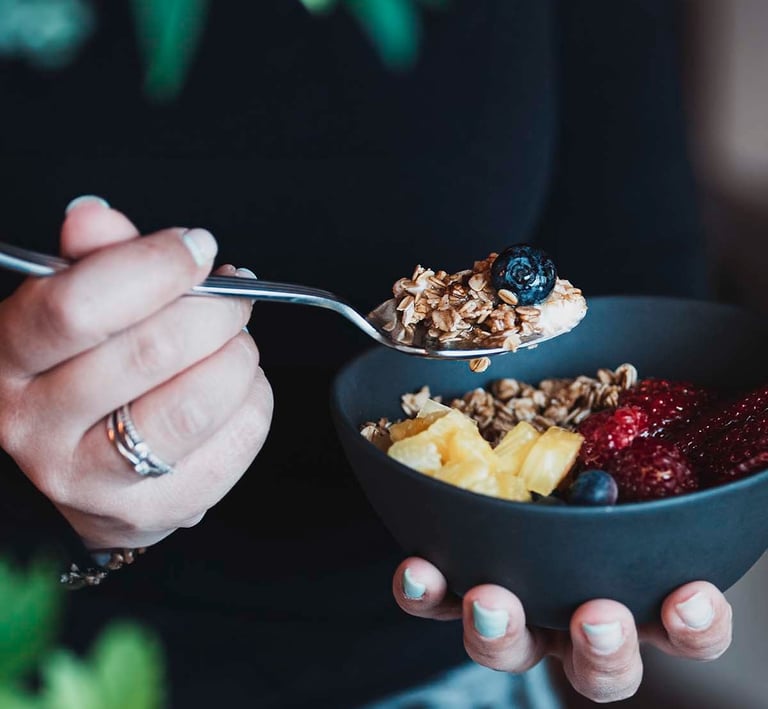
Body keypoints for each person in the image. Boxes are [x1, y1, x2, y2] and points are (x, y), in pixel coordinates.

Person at [0, 2, 735, 707]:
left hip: (440, 662)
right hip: (60, 669)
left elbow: (639, 283)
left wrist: (623, 550)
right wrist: (55, 523)